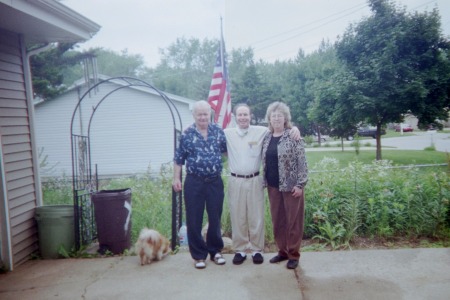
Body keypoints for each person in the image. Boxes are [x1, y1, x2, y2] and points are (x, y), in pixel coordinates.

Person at [225, 103, 300, 265]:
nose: (243, 117)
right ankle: (240, 250)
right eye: (240, 115)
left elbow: (284, 128)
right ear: (235, 117)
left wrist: (296, 129)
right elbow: (208, 130)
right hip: (236, 180)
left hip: (255, 180)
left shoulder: (261, 132)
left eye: (246, 114)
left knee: (256, 216)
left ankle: (257, 250)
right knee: (238, 216)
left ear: (250, 116)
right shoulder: (227, 134)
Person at [172, 100, 227, 269]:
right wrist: (176, 178)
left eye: (205, 114)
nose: (203, 117)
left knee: (215, 217)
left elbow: (226, 151)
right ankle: (198, 256)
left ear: (210, 114)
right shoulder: (187, 134)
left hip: (214, 181)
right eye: (199, 114)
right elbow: (178, 159)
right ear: (194, 115)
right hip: (194, 182)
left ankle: (215, 250)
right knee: (194, 219)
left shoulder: (218, 131)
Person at [261, 101, 308, 270]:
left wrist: (300, 184)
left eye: (279, 116)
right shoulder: (266, 137)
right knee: (277, 220)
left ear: (285, 118)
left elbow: (302, 162)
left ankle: (293, 254)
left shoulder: (293, 136)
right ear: (270, 119)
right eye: (273, 116)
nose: (276, 119)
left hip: (291, 187)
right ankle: (282, 251)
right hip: (273, 186)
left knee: (293, 221)